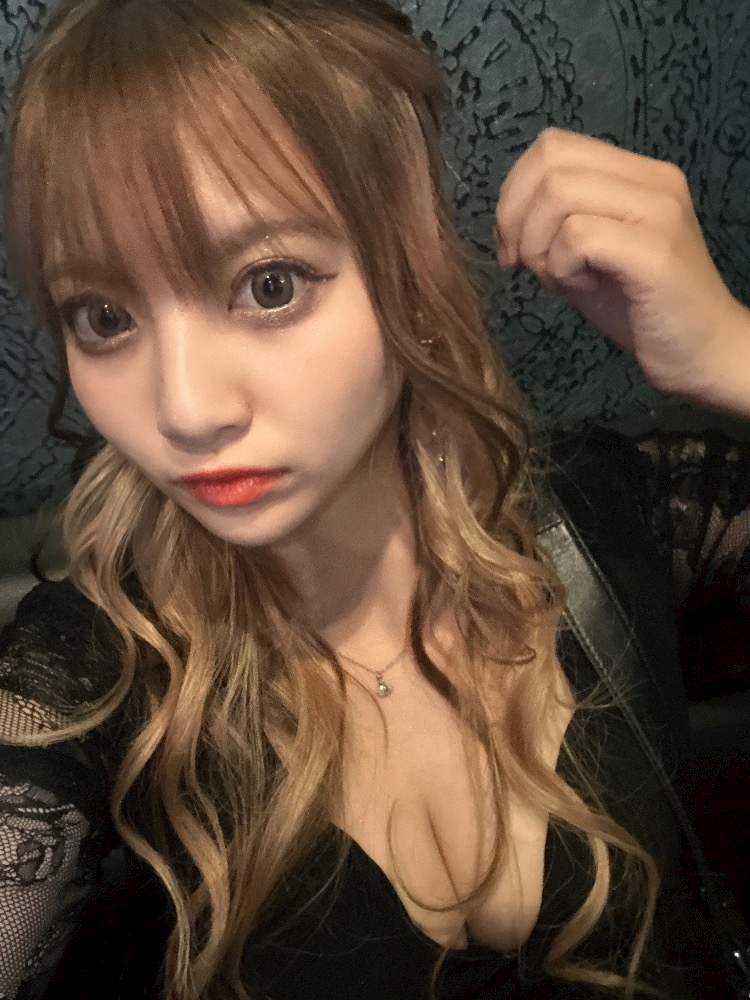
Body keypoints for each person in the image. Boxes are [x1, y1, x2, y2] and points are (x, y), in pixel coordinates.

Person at [0, 2, 749, 999]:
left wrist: (734, 354)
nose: (185, 410)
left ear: (408, 260)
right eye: (103, 316)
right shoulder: (93, 672)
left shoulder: (620, 508)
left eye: (270, 284)